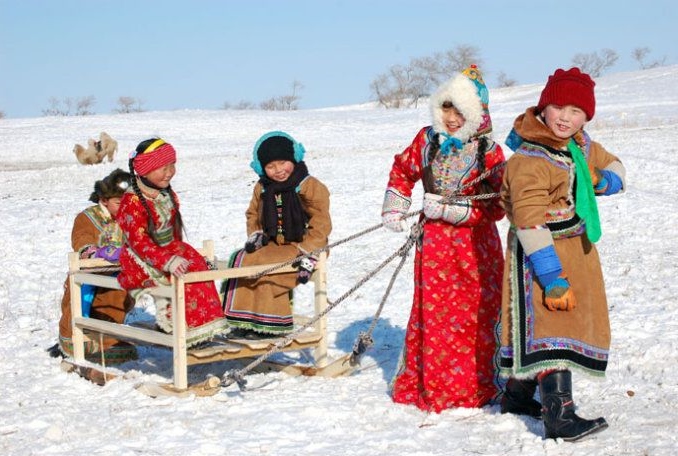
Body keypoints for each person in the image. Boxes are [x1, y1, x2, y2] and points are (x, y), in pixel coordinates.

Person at [498, 67, 625, 441]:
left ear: (586, 117)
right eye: (558, 107)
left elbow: (615, 165)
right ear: (543, 108)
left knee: (559, 324)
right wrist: (551, 275)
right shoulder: (532, 158)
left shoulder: (580, 146)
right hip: (540, 252)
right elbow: (528, 220)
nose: (565, 117)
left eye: (576, 111)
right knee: (553, 325)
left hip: (576, 249)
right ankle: (560, 417)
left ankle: (517, 396)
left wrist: (604, 181)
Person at [381, 65, 506, 413]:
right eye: (446, 108)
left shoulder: (489, 151)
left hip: (476, 247)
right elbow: (402, 169)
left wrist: (454, 210)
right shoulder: (426, 141)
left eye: (460, 111)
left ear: (476, 114)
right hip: (434, 245)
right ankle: (435, 386)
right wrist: (395, 206)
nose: (451, 119)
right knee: (435, 316)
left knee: (476, 314)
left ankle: (477, 385)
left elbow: (498, 204)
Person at [116, 138, 228, 342]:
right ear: (144, 171)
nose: (170, 172)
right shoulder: (132, 202)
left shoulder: (167, 194)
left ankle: (200, 328)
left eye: (172, 165)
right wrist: (167, 261)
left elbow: (173, 232)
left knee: (197, 269)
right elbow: (139, 242)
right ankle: (175, 326)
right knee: (181, 276)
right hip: (140, 258)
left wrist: (183, 256)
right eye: (163, 168)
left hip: (169, 250)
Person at [222, 131, 332, 339]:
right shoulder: (263, 187)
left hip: (305, 246)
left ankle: (269, 325)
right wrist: (256, 234)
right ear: (261, 168)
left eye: (283, 163)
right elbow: (253, 213)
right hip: (274, 244)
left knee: (268, 269)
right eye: (271, 166)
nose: (279, 170)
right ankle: (244, 321)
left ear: (294, 158)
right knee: (243, 260)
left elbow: (321, 221)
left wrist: (308, 249)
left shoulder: (309, 186)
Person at [54, 168, 137, 364]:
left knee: (117, 297)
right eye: (119, 203)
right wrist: (94, 251)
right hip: (89, 274)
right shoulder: (87, 218)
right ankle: (77, 339)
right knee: (81, 302)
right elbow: (81, 239)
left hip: (116, 273)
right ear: (104, 200)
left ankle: (108, 339)